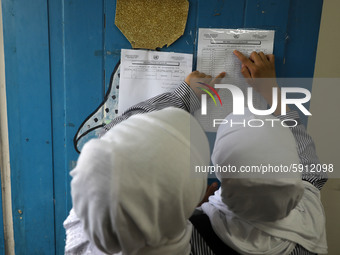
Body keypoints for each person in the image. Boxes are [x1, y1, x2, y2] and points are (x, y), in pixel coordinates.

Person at [64, 50, 327, 254]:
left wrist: (186, 95)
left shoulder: (87, 223)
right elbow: (309, 169)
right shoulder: (309, 221)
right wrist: (273, 92)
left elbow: (111, 142)